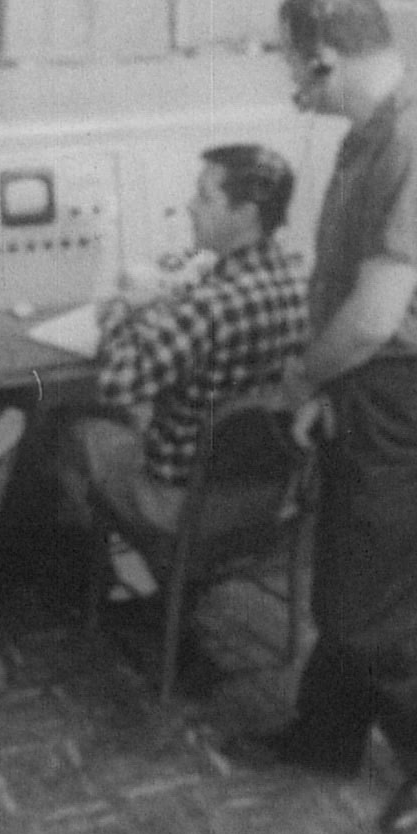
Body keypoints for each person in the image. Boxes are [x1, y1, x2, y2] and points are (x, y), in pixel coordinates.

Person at [222, 0, 417, 834]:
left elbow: (376, 317)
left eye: (289, 63)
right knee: (348, 584)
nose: (289, 82)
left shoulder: (415, 143)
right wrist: (333, 390)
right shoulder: (366, 136)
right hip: (373, 389)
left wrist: (303, 381)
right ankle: (325, 737)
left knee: (370, 616)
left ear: (324, 58)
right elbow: (348, 291)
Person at [51, 143, 309, 545]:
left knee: (69, 427)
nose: (190, 206)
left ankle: (100, 568)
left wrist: (123, 307)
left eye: (205, 197)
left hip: (179, 505)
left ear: (245, 214)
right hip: (268, 501)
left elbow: (116, 384)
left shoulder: (209, 307)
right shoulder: (298, 281)